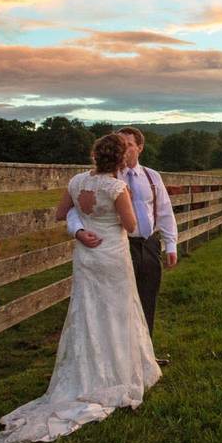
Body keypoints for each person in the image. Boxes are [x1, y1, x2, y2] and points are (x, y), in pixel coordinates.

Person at [0, 134, 162, 443]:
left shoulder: (75, 182)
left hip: (87, 257)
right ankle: (116, 373)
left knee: (87, 310)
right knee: (117, 310)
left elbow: (62, 213)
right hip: (112, 255)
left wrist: (82, 227)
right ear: (119, 160)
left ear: (95, 155)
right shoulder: (116, 188)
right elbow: (130, 225)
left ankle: (86, 371)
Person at [67, 127, 178, 345]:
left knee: (147, 298)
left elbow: (164, 210)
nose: (124, 151)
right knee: (118, 302)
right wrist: (78, 231)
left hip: (148, 244)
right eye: (120, 145)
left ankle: (144, 351)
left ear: (140, 148)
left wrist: (171, 244)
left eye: (128, 145)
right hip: (117, 246)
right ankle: (117, 350)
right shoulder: (105, 178)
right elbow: (75, 209)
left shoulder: (152, 176)